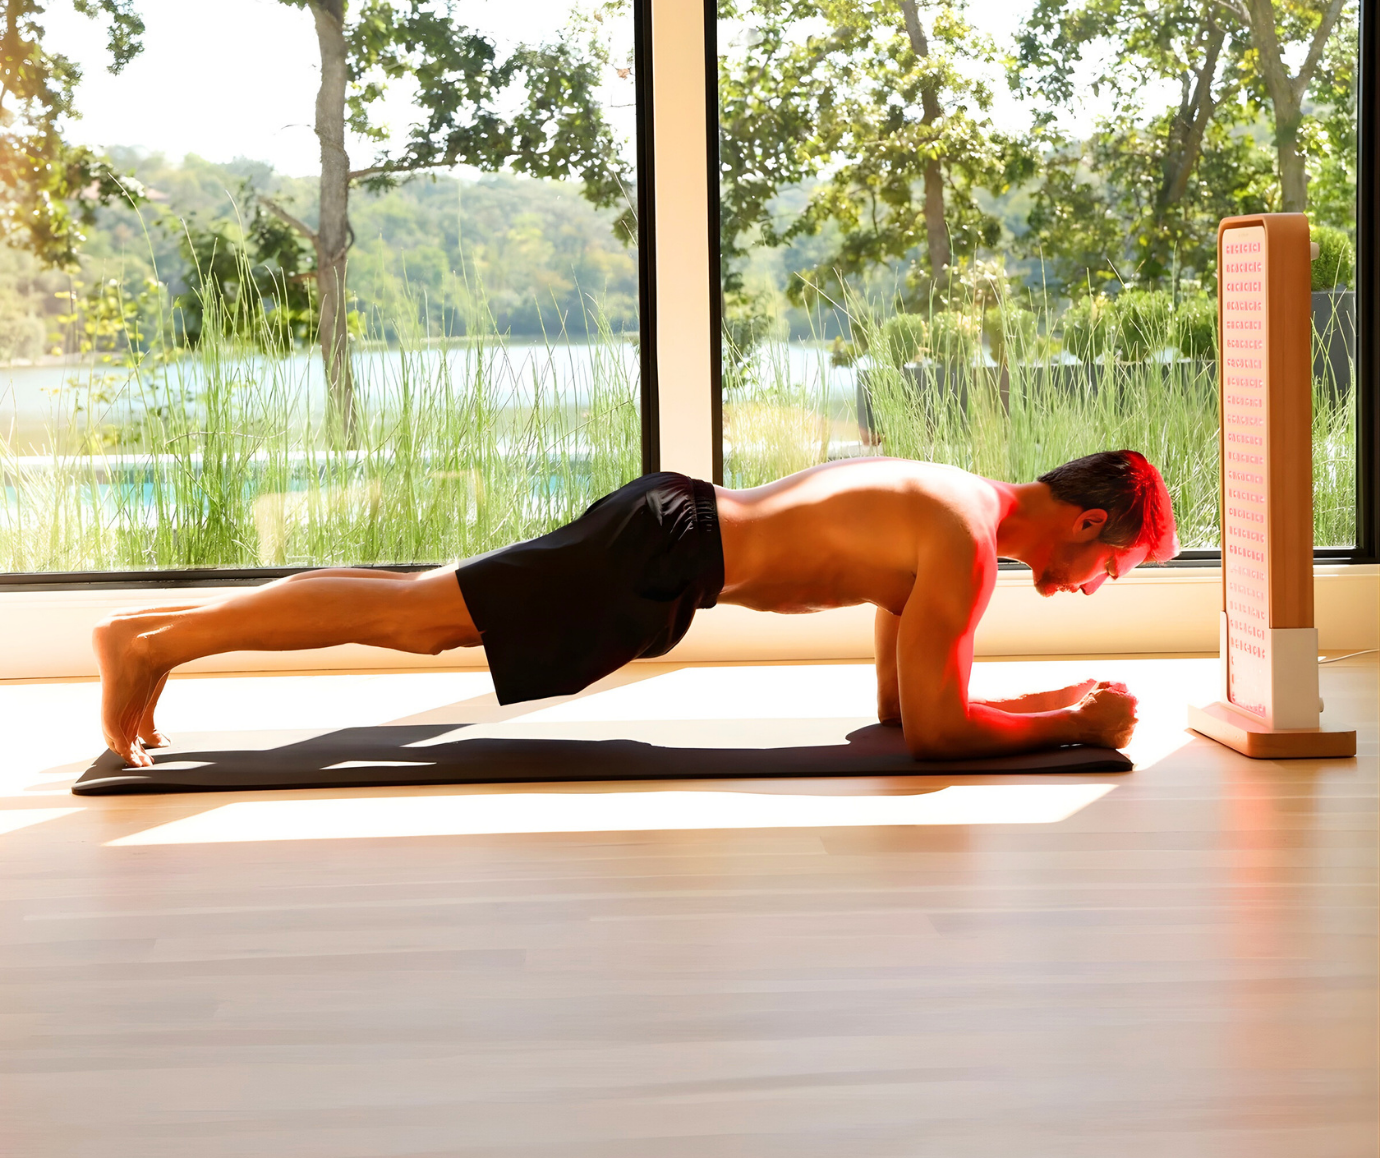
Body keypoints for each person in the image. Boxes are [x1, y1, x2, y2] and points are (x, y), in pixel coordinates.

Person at [94, 449, 1178, 768]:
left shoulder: (949, 502)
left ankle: (164, 634)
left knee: (428, 606)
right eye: (1117, 567)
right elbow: (936, 735)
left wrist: (1056, 697)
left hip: (673, 525)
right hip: (670, 551)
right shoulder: (962, 546)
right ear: (1090, 525)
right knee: (427, 615)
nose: (1102, 587)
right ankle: (154, 642)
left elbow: (901, 708)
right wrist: (1074, 724)